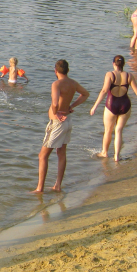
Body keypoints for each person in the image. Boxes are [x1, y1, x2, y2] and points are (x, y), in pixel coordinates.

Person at [32, 60, 89, 194]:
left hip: (57, 123)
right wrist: (71, 106)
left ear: (55, 71)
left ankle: (39, 188)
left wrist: (56, 111)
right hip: (68, 120)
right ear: (67, 70)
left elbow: (55, 102)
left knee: (43, 155)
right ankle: (57, 185)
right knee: (61, 152)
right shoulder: (73, 83)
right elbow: (86, 94)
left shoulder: (56, 84)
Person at [89, 55, 137, 162]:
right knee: (119, 130)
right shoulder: (129, 75)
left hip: (112, 105)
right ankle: (117, 156)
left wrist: (95, 106)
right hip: (125, 104)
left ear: (113, 63)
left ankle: (105, 153)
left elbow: (104, 91)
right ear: (123, 64)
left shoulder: (110, 74)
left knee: (108, 131)